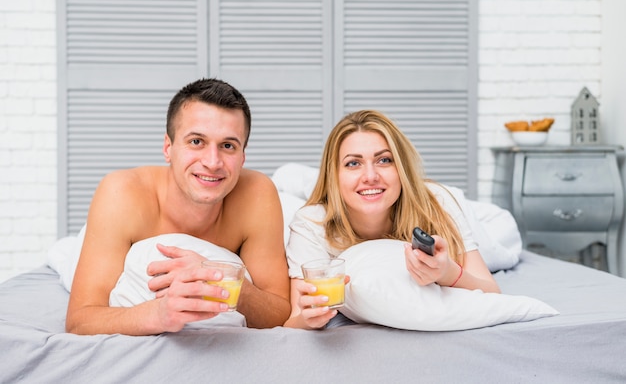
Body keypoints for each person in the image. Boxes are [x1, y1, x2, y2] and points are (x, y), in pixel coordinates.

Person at [66, 78, 291, 335]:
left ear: (242, 156)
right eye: (196, 141)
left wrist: (221, 280)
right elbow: (79, 320)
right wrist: (157, 314)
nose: (212, 161)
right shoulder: (121, 194)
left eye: (228, 146)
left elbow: (279, 311)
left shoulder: (258, 194)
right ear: (168, 148)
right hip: (105, 239)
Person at [283, 110, 501, 329]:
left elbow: (492, 292)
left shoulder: (438, 203)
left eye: (384, 160)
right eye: (353, 163)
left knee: (502, 240)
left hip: (467, 220)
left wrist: (448, 272)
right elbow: (294, 320)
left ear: (401, 168)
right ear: (334, 175)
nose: (370, 176)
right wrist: (308, 320)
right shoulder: (310, 225)